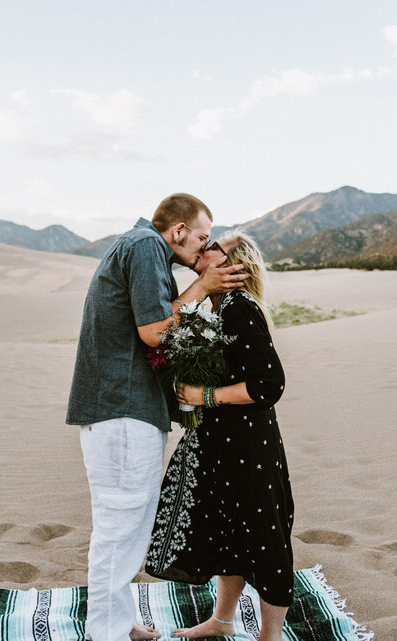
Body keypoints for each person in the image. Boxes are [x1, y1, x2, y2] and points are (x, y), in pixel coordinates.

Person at [66, 194, 247, 641]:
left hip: (124, 408)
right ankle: (105, 634)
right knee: (120, 524)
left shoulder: (140, 247)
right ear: (179, 229)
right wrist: (201, 290)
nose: (202, 248)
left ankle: (119, 622)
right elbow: (152, 330)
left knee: (127, 525)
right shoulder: (147, 246)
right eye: (202, 237)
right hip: (122, 408)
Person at [146, 230, 294, 641]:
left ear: (233, 265)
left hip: (249, 445)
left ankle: (271, 636)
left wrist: (204, 394)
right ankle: (222, 620)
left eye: (215, 247)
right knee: (229, 531)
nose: (204, 249)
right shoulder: (212, 306)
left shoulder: (240, 308)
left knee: (264, 537)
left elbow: (269, 385)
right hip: (218, 439)